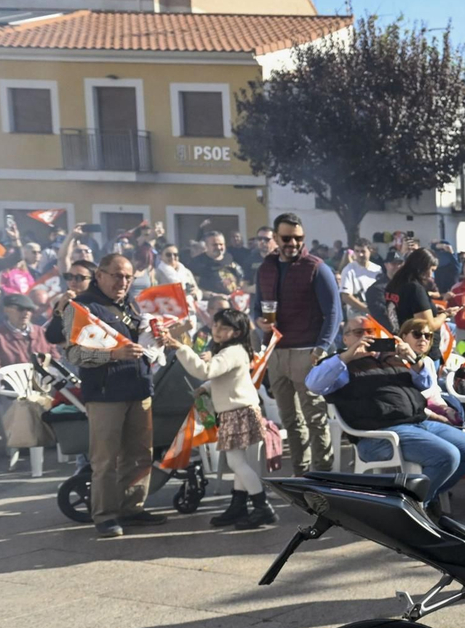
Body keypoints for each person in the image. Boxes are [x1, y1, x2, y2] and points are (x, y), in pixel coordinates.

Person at [307, 317, 465, 504]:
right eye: (359, 333)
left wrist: (413, 358)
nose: (366, 337)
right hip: (380, 434)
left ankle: (418, 499)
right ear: (346, 338)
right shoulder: (340, 365)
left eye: (370, 332)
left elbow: (426, 385)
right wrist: (347, 355)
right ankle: (411, 507)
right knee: (448, 456)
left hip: (419, 421)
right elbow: (313, 384)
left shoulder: (391, 357)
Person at [67, 255, 156, 538]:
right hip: (106, 394)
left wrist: (159, 337)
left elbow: (142, 340)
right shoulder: (82, 306)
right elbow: (74, 354)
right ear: (100, 275)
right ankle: (105, 515)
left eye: (128, 277)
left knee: (141, 454)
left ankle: (133, 508)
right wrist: (113, 355)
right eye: (117, 275)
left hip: (139, 387)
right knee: (105, 460)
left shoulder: (131, 303)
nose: (123, 282)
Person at [162, 308, 276, 528]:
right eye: (216, 325)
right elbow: (229, 377)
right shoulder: (234, 350)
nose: (217, 330)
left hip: (237, 411)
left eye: (225, 327)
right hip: (239, 409)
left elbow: (206, 370)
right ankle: (238, 505)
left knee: (237, 462)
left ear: (237, 332)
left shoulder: (231, 351)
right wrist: (206, 388)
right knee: (238, 461)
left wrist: (181, 348)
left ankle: (263, 507)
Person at [251, 213, 341, 475]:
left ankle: (323, 475)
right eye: (287, 237)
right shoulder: (265, 268)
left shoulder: (316, 267)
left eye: (298, 238)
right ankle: (301, 473)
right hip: (275, 352)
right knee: (289, 419)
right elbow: (256, 307)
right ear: (276, 237)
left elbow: (334, 313)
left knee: (314, 418)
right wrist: (259, 321)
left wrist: (321, 348)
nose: (293, 243)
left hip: (307, 352)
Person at [0, 293, 51, 370]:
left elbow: (55, 358)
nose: (26, 313)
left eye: (29, 309)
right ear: (6, 309)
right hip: (10, 380)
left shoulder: (42, 333)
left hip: (45, 379)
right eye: (20, 309)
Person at [337, 242, 380, 320]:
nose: (360, 254)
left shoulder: (378, 269)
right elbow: (345, 296)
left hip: (377, 316)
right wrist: (367, 310)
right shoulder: (349, 270)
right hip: (357, 318)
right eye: (357, 251)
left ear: (370, 251)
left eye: (363, 251)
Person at [366, 252, 403, 331]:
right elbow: (383, 316)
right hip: (387, 335)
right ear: (386, 265)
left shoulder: (409, 285)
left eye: (400, 263)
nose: (397, 266)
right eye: (394, 263)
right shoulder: (376, 289)